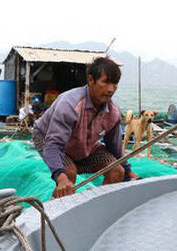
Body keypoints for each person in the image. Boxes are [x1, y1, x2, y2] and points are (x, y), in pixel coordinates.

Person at [33, 56, 140, 198]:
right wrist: (60, 176)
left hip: (84, 145)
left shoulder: (113, 112)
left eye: (114, 83)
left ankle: (99, 211)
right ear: (91, 80)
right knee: (68, 174)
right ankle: (55, 212)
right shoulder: (70, 104)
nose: (110, 89)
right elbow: (54, 144)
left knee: (117, 172)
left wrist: (127, 170)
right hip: (48, 139)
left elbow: (114, 145)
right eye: (105, 82)